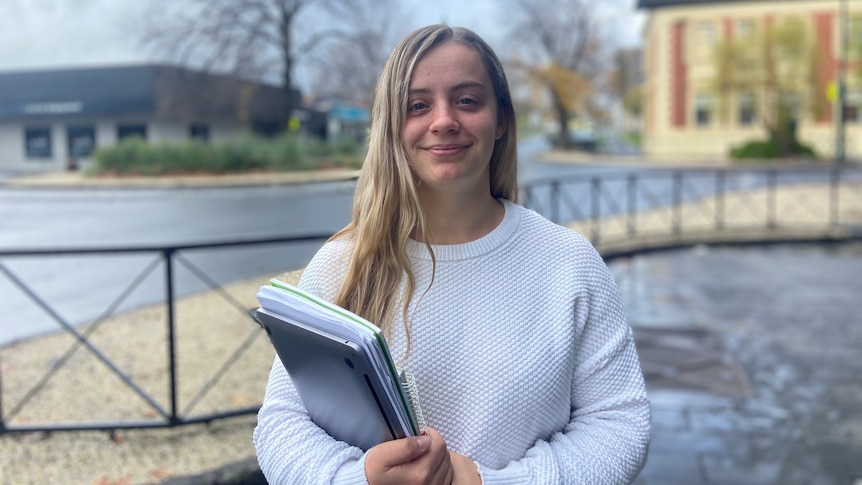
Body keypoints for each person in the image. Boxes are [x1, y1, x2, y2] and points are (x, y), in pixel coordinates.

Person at [254, 24, 650, 484]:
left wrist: (489, 483)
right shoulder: (342, 265)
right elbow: (281, 425)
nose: (443, 120)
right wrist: (358, 480)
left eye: (467, 100)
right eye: (417, 105)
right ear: (392, 126)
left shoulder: (570, 264)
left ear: (500, 119)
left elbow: (620, 424)